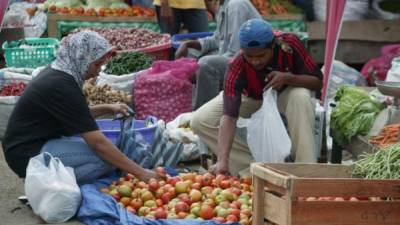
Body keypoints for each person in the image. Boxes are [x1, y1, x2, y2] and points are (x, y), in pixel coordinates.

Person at [2, 31, 162, 185]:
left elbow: (77, 114)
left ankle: (47, 175)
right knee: (104, 160)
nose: (99, 71)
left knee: (109, 155)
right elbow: (97, 144)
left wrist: (108, 107)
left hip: (29, 145)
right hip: (26, 153)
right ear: (82, 59)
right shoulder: (62, 85)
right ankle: (45, 182)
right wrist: (142, 173)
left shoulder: (60, 72)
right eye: (97, 64)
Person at [191, 19, 323, 176]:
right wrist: (222, 160)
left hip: (285, 94)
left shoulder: (289, 44)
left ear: (272, 46)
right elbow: (229, 116)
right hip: (251, 97)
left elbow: (317, 82)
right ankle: (255, 167)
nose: (255, 61)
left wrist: (288, 78)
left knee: (300, 96)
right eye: (249, 56)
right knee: (199, 120)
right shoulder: (237, 65)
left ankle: (306, 169)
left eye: (261, 55)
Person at [175, 0, 261, 110]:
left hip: (251, 62)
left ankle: (202, 112)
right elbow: (217, 40)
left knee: (206, 64)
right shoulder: (222, 6)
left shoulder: (236, 6)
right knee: (191, 56)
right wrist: (188, 44)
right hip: (234, 56)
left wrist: (198, 70)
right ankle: (190, 105)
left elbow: (235, 52)